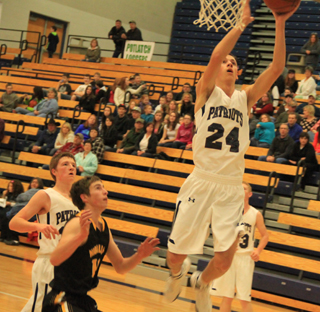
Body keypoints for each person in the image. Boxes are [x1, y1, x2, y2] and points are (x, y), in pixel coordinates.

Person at [164, 2, 298, 311]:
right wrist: (240, 25)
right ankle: (176, 274)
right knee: (175, 256)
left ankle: (202, 282)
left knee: (224, 260)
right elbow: (213, 56)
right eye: (225, 61)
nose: (227, 63)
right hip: (201, 180)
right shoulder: (205, 92)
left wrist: (279, 22)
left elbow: (276, 69)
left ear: (238, 71)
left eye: (232, 61)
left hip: (230, 186)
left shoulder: (246, 98)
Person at [41, 176, 159, 312]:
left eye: (103, 187)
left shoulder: (103, 226)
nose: (105, 191)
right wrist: (80, 237)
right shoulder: (77, 224)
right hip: (62, 299)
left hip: (82, 300)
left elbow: (120, 266)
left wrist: (139, 255)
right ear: (84, 197)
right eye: (98, 188)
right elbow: (55, 259)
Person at [9, 153, 80, 312]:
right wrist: (39, 227)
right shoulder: (45, 195)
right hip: (49, 261)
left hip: (70, 265)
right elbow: (14, 223)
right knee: (40, 306)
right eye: (65, 164)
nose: (71, 167)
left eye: (73, 165)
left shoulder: (78, 201)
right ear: (54, 171)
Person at [211, 182, 269, 312]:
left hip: (245, 258)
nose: (240, 190)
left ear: (249, 194)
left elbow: (265, 236)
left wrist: (258, 251)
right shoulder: (228, 212)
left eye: (243, 189)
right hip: (229, 257)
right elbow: (218, 231)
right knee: (227, 296)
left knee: (244, 298)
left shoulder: (255, 214)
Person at [2, 178, 44, 245]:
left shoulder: (41, 192)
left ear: (40, 184)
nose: (34, 184)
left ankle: (14, 239)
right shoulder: (27, 192)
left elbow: (21, 198)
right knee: (8, 215)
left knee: (12, 216)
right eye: (33, 182)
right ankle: (5, 237)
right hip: (23, 210)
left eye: (36, 182)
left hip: (33, 214)